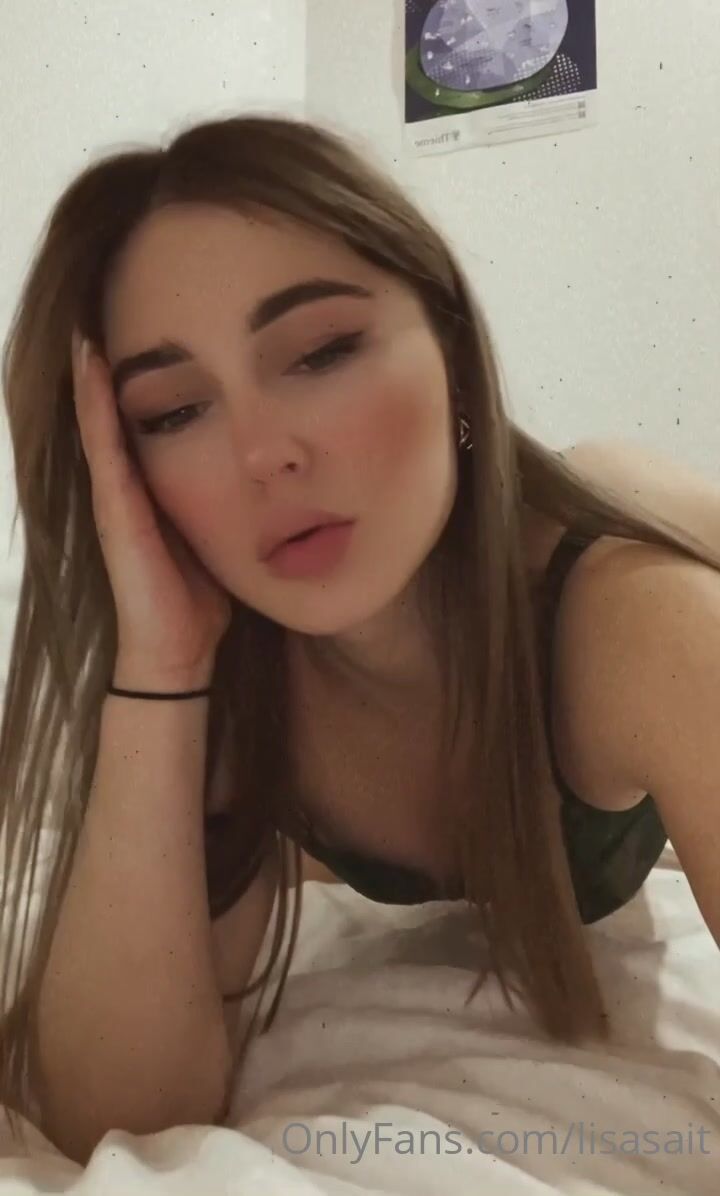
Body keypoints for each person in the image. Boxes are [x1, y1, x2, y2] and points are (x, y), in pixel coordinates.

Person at [0, 113, 718, 1166]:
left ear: (454, 355)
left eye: (322, 351)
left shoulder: (638, 622)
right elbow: (114, 1108)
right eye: (174, 411)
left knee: (631, 488)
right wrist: (161, 665)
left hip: (620, 531)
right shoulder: (235, 674)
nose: (263, 453)